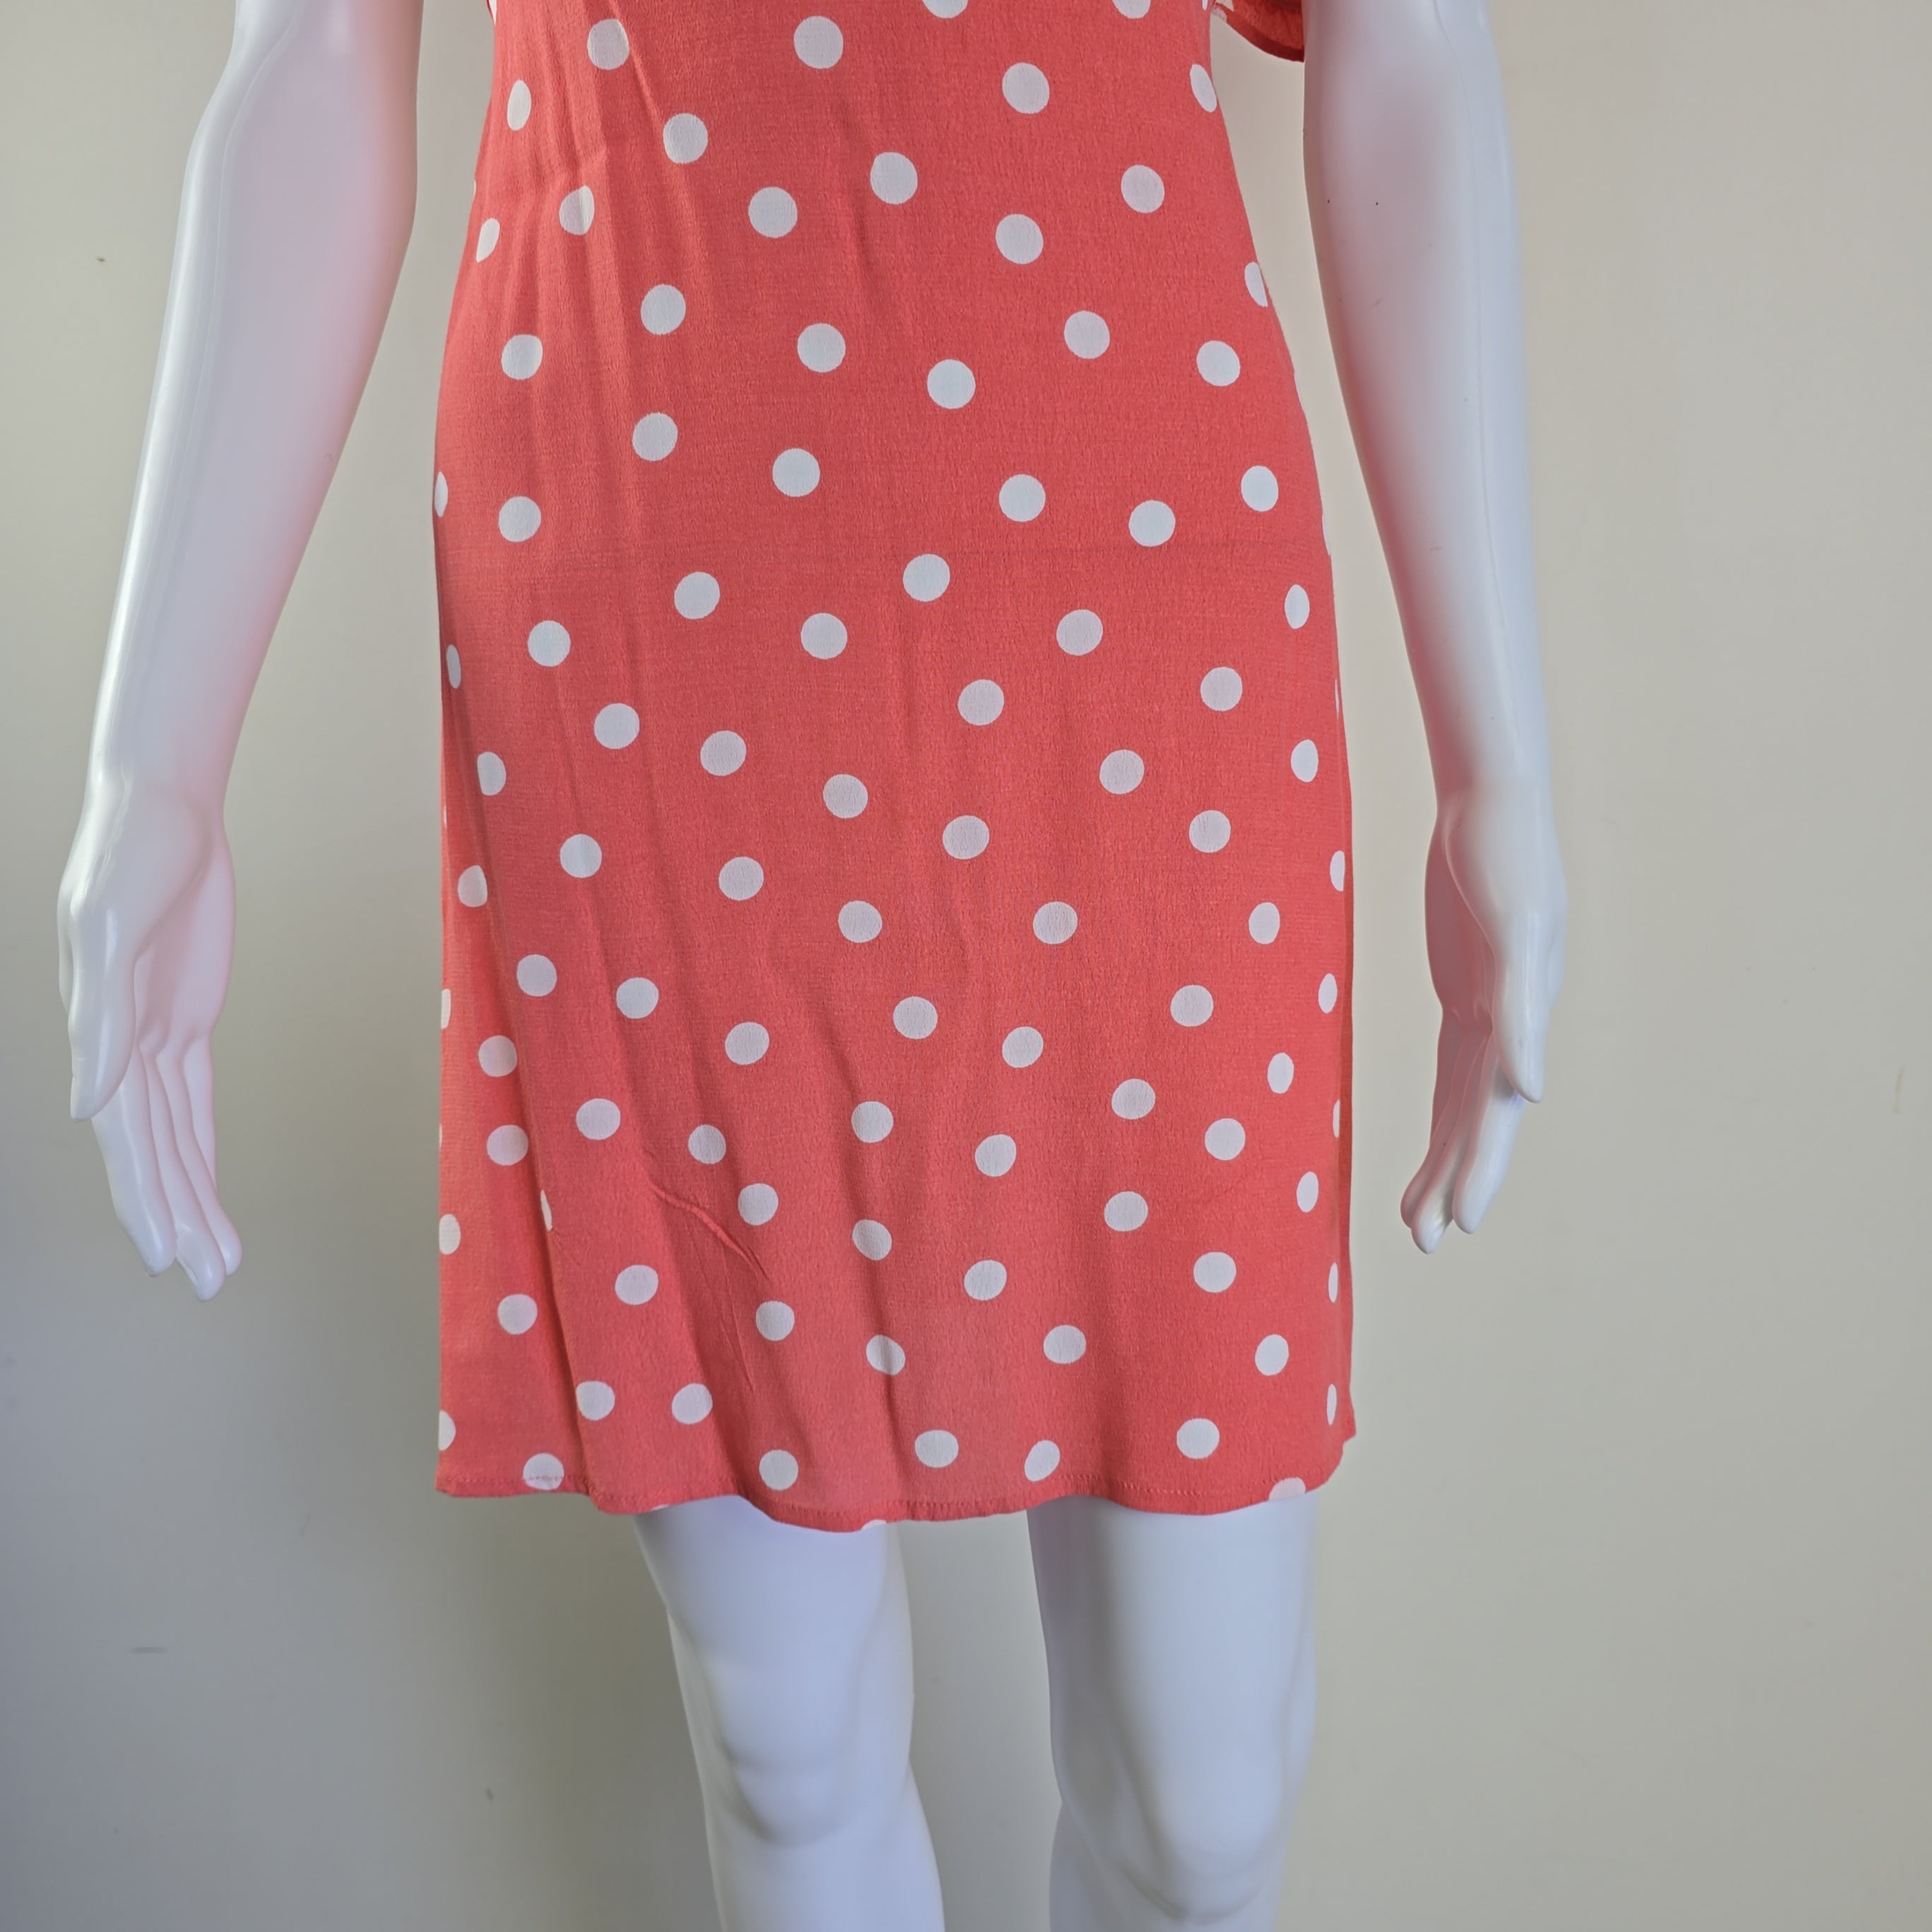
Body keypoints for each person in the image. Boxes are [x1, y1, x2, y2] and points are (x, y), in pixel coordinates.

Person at [56, 2, 1566, 1926]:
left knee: (1207, 1791)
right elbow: (307, 63)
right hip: (644, 619)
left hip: (1150, 628)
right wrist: (154, 763)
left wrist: (1493, 760)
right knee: (787, 1746)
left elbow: (1412, 49)